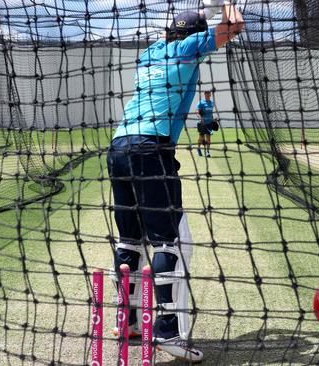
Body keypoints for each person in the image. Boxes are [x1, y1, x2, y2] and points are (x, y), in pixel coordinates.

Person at [106, 1, 244, 362]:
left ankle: (128, 320)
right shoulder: (187, 50)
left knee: (130, 240)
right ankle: (167, 330)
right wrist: (226, 4)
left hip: (119, 147)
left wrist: (204, 12)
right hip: (152, 149)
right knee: (171, 242)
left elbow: (184, 31)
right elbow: (235, 25)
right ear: (191, 37)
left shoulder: (152, 52)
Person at [196, 90, 215, 157]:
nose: (208, 96)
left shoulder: (212, 103)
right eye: (207, 95)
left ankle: (208, 152)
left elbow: (211, 113)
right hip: (202, 123)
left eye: (209, 95)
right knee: (201, 137)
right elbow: (197, 112)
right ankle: (198, 148)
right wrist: (200, 119)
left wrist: (213, 120)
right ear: (204, 95)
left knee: (208, 138)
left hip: (209, 123)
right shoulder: (201, 103)